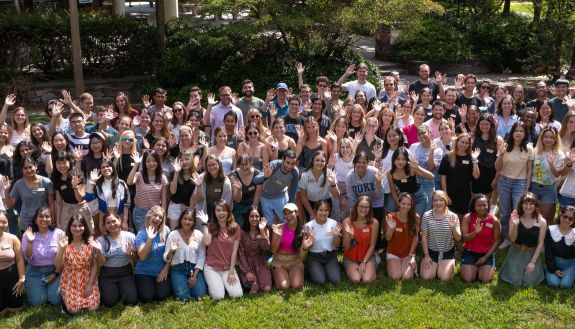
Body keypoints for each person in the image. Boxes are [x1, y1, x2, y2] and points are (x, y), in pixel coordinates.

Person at [496, 121, 533, 246]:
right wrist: (501, 153)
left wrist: (527, 187)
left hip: (520, 184)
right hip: (504, 182)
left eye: (521, 131)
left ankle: (516, 238)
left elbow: (529, 170)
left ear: (525, 133)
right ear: (512, 133)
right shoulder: (504, 146)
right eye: (516, 131)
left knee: (517, 212)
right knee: (504, 213)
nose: (518, 133)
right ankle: (506, 238)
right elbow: (497, 167)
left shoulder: (529, 149)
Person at [500, 193, 547, 287]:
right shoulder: (515, 217)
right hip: (515, 251)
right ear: (521, 204)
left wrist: (533, 262)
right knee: (514, 280)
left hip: (531, 254)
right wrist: (515, 225)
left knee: (529, 282)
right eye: (525, 203)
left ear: (536, 205)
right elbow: (512, 239)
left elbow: (540, 243)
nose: (528, 206)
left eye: (531, 204)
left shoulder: (541, 222)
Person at [55, 214, 100, 314]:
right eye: (74, 225)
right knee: (73, 310)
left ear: (85, 227)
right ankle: (64, 298)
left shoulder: (89, 243)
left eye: (80, 225)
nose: (77, 228)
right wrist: (62, 249)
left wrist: (89, 284)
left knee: (93, 308)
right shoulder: (64, 243)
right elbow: (58, 265)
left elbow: (94, 265)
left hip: (87, 279)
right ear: (69, 227)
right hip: (70, 281)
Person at [21, 207, 65, 306]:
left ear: (51, 219)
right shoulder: (27, 234)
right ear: (35, 219)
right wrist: (30, 242)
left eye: (47, 216)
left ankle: (50, 290)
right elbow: (27, 258)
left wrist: (55, 273)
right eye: (41, 216)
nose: (44, 219)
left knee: (55, 301)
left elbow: (64, 258)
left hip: (55, 271)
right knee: (38, 302)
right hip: (34, 271)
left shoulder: (59, 233)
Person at [94, 212, 138, 308]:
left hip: (125, 273)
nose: (112, 225)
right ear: (105, 226)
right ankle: (114, 290)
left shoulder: (130, 236)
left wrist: (130, 254)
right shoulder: (101, 241)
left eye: (114, 221)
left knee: (131, 301)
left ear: (120, 220)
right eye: (108, 223)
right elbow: (101, 263)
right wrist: (99, 251)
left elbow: (136, 257)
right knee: (109, 303)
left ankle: (123, 289)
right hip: (107, 275)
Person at [202, 200, 243, 299]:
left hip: (227, 268)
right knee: (218, 297)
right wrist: (204, 224)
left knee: (237, 295)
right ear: (214, 213)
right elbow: (206, 242)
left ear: (228, 212)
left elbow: (234, 252)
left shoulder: (235, 228)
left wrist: (232, 272)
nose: (221, 213)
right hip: (212, 268)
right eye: (218, 210)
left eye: (224, 210)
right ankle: (214, 285)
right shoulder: (210, 227)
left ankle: (220, 285)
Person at [164, 209, 207, 301]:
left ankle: (191, 284)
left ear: (194, 222)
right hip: (178, 269)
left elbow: (202, 256)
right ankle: (180, 283)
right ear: (180, 219)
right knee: (183, 298)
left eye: (190, 219)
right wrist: (171, 251)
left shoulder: (199, 234)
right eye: (185, 218)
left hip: (194, 269)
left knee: (199, 296)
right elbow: (166, 257)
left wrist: (194, 276)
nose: (187, 221)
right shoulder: (173, 235)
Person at [3, 156, 54, 232]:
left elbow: (51, 204)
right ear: (22, 170)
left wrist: (52, 220)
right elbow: (10, 205)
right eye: (25, 168)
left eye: (30, 167)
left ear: (36, 166)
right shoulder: (18, 184)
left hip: (43, 220)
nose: (28, 170)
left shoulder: (46, 182)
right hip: (26, 222)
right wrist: (6, 190)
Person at [420, 191, 461, 281]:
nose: (438, 203)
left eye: (441, 200)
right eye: (435, 200)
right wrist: (426, 255)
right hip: (431, 252)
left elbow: (458, 238)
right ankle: (433, 265)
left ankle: (445, 265)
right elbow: (424, 237)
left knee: (444, 278)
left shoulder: (453, 216)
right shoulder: (427, 216)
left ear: (445, 201)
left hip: (447, 252)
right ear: (432, 202)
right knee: (426, 277)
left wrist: (453, 228)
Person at [460, 194, 501, 283]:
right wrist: (475, 233)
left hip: (486, 253)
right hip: (470, 251)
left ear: (488, 205)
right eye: (479, 205)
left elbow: (497, 240)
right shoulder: (468, 217)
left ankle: (484, 266)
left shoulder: (494, 220)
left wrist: (486, 257)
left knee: (485, 280)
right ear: (474, 206)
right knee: (468, 279)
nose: (482, 207)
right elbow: (464, 239)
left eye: (484, 205)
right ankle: (472, 266)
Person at [438, 134, 481, 219]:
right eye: (462, 142)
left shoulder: (470, 157)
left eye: (466, 143)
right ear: (457, 142)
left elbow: (476, 176)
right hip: (450, 193)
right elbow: (443, 177)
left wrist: (475, 160)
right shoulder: (447, 157)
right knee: (450, 217)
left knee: (463, 217)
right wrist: (445, 194)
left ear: (469, 145)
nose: (464, 144)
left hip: (465, 194)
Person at [134, 206, 171, 302]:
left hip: (160, 272)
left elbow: (171, 252)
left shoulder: (166, 231)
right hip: (143, 272)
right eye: (155, 215)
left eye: (160, 217)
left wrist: (166, 269)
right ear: (149, 216)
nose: (157, 219)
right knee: (148, 297)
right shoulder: (141, 234)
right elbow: (142, 257)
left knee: (162, 295)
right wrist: (150, 239)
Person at [127, 150, 169, 232]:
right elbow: (129, 181)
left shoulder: (162, 178)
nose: (151, 163)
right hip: (140, 212)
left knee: (154, 236)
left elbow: (164, 200)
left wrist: (163, 215)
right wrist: (136, 164)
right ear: (144, 163)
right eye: (148, 161)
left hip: (155, 214)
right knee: (144, 235)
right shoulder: (139, 175)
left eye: (154, 161)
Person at [530, 126, 564, 222]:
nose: (548, 139)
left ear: (555, 139)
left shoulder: (559, 154)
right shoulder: (535, 151)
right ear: (542, 137)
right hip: (534, 187)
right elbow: (529, 169)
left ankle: (545, 236)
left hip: (548, 189)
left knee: (545, 219)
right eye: (546, 136)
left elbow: (557, 175)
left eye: (551, 137)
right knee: (532, 217)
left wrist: (551, 164)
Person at [388, 147, 434, 217]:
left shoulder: (411, 168)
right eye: (398, 159)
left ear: (407, 160)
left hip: (419, 198)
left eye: (403, 159)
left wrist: (417, 167)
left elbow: (431, 176)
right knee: (407, 221)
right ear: (393, 159)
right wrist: (398, 203)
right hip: (405, 200)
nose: (400, 162)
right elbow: (393, 190)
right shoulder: (390, 173)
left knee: (416, 219)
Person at [303, 201, 342, 285]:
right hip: (314, 257)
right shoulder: (308, 226)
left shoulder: (333, 223)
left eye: (326, 210)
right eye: (320, 210)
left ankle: (325, 269)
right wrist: (310, 241)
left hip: (330, 256)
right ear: (315, 210)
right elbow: (306, 246)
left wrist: (336, 236)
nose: (323, 213)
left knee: (335, 279)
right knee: (320, 281)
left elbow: (336, 245)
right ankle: (313, 269)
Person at [342, 196, 378, 283]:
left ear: (370, 209)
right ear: (356, 207)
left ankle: (372, 266)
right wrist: (351, 236)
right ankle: (359, 269)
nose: (363, 209)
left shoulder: (374, 223)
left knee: (367, 280)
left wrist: (364, 262)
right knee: (356, 279)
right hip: (350, 258)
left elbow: (372, 245)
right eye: (361, 206)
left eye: (366, 207)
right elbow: (346, 248)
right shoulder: (347, 222)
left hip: (367, 257)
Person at [51, 151, 91, 231]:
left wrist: (75, 188)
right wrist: (58, 221)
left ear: (70, 162)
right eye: (59, 163)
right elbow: (59, 202)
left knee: (86, 234)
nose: (62, 166)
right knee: (66, 235)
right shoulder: (56, 178)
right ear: (55, 164)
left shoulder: (77, 175)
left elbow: (80, 199)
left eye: (64, 162)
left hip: (81, 208)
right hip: (66, 208)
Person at [270, 203, 306, 290]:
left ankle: (292, 275)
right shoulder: (278, 228)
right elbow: (273, 251)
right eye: (285, 213)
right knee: (284, 286)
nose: (288, 216)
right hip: (279, 261)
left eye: (290, 212)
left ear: (297, 213)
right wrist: (278, 236)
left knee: (297, 285)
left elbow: (302, 257)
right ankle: (280, 274)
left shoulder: (302, 231)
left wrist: (305, 247)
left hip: (295, 261)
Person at [384, 193, 419, 281]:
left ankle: (412, 265)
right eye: (403, 203)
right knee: (395, 277)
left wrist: (411, 255)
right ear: (399, 203)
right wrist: (391, 228)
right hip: (393, 252)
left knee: (407, 277)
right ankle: (394, 264)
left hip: (408, 254)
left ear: (411, 206)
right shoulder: (391, 216)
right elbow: (388, 238)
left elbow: (415, 238)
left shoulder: (415, 217)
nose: (406, 206)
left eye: (408, 204)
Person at [237, 207, 272, 293]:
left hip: (260, 262)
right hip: (246, 263)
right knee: (253, 290)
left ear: (260, 218)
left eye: (257, 216)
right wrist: (247, 272)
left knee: (267, 288)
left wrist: (262, 231)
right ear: (248, 218)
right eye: (251, 216)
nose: (254, 219)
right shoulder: (242, 232)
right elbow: (241, 254)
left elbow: (266, 247)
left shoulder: (265, 230)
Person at [298, 151, 339, 221]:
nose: (319, 163)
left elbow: (337, 195)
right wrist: (312, 214)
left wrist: (333, 184)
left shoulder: (329, 173)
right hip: (310, 205)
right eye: (317, 160)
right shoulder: (305, 175)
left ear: (325, 162)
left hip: (325, 204)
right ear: (312, 161)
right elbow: (303, 197)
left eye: (322, 161)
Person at [260, 150, 299, 224]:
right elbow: (256, 180)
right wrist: (265, 177)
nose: (290, 166)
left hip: (281, 197)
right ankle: (272, 236)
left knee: (287, 221)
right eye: (288, 162)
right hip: (265, 197)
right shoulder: (275, 165)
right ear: (283, 160)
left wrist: (290, 208)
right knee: (269, 223)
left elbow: (293, 193)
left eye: (293, 163)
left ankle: (287, 236)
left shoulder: (294, 172)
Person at [0, 210, 25, 317]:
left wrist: (21, 279)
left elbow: (20, 260)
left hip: (12, 280)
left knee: (16, 310)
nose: (1, 225)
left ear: (8, 223)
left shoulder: (13, 238)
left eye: (4, 222)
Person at [229, 154, 264, 228]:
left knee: (254, 222)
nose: (244, 167)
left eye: (246, 164)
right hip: (238, 206)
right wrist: (239, 189)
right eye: (241, 165)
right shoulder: (233, 175)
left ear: (251, 163)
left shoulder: (258, 174)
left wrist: (253, 212)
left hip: (252, 204)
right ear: (238, 165)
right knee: (239, 225)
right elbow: (237, 200)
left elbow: (256, 199)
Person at [193, 154, 232, 219]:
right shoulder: (201, 178)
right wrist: (198, 187)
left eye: (214, 164)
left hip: (221, 211)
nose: (211, 167)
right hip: (205, 210)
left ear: (219, 164)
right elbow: (199, 200)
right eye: (209, 165)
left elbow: (227, 202)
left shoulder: (226, 182)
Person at [545, 205, 575, 288]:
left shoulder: (574, 233)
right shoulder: (551, 230)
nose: (567, 220)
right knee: (554, 283)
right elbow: (548, 252)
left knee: (565, 285)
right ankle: (547, 269)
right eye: (565, 216)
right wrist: (554, 269)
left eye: (570, 218)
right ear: (560, 214)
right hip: (554, 262)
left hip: (570, 264)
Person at [167, 151, 197, 229]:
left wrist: (190, 209)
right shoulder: (175, 173)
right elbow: (172, 191)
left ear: (191, 160)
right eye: (181, 160)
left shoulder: (196, 175)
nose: (184, 162)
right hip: (175, 207)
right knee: (174, 232)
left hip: (189, 208)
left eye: (187, 159)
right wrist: (176, 173)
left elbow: (195, 197)